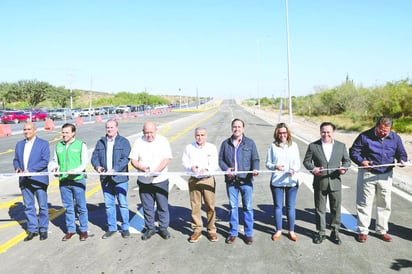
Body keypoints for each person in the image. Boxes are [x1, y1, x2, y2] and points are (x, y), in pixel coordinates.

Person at [350, 117, 407, 243]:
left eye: (386, 131)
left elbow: (401, 153)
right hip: (367, 173)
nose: (383, 133)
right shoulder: (364, 136)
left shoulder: (395, 138)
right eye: (381, 130)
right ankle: (363, 231)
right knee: (364, 203)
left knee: (384, 203)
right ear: (376, 127)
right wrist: (361, 161)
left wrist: (402, 160)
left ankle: (381, 230)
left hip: (386, 175)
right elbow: (353, 151)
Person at [303, 122, 351, 245]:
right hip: (320, 182)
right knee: (320, 209)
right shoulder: (313, 146)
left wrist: (344, 168)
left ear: (333, 132)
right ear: (320, 132)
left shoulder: (341, 146)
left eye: (328, 132)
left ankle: (335, 232)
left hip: (335, 182)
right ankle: (321, 232)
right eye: (323, 132)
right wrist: (313, 169)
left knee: (336, 209)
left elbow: (347, 161)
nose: (326, 134)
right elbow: (306, 162)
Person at [219, 118, 259, 245]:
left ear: (243, 128)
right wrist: (226, 169)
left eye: (239, 127)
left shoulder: (250, 143)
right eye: (234, 127)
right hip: (231, 181)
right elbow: (220, 160)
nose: (237, 129)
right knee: (233, 207)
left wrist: (255, 168)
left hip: (246, 181)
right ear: (232, 128)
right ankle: (233, 233)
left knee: (247, 207)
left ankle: (248, 234)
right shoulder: (225, 143)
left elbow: (255, 159)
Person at [130, 122, 173, 240]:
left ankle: (163, 228)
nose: (149, 135)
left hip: (160, 179)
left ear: (156, 131)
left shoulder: (163, 141)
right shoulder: (138, 142)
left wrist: (157, 170)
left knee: (162, 206)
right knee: (147, 206)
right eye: (146, 133)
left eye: (151, 132)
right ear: (143, 132)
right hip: (144, 181)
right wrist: (142, 168)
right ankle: (150, 228)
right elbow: (133, 160)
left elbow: (167, 158)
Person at [91, 119, 131, 239]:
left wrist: (114, 169)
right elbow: (94, 157)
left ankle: (125, 228)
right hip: (105, 179)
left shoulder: (124, 142)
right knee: (109, 205)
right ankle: (112, 227)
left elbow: (125, 159)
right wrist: (97, 166)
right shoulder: (100, 142)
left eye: (112, 127)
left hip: (120, 179)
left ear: (117, 128)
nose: (109, 129)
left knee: (122, 203)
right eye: (107, 127)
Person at [50, 123, 89, 241]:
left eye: (67, 132)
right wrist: (54, 168)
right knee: (68, 207)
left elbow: (85, 162)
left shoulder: (81, 145)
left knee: (81, 207)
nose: (64, 135)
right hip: (64, 181)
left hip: (77, 180)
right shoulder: (59, 146)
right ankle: (70, 230)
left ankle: (83, 230)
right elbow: (54, 161)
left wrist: (76, 171)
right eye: (63, 132)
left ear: (73, 133)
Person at [13, 122, 50, 241]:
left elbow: (45, 161)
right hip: (24, 181)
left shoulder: (43, 144)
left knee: (43, 206)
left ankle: (43, 229)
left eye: (29, 129)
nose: (26, 131)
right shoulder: (19, 145)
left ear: (35, 130)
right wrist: (17, 168)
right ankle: (32, 230)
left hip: (38, 180)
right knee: (29, 207)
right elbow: (16, 160)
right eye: (24, 129)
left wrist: (30, 170)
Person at [182, 127, 219, 243]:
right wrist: (190, 167)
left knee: (210, 206)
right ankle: (197, 230)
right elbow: (184, 162)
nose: (200, 137)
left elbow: (215, 164)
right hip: (194, 180)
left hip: (207, 179)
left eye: (202, 135)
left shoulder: (211, 148)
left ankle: (211, 230)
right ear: (195, 136)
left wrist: (207, 169)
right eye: (198, 135)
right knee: (195, 206)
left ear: (206, 136)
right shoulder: (189, 148)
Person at [265, 123, 301, 242]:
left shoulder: (294, 146)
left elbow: (297, 163)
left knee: (291, 207)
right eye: (280, 133)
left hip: (291, 181)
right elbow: (268, 164)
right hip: (277, 181)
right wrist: (275, 166)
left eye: (284, 133)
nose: (282, 135)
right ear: (277, 134)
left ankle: (291, 230)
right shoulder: (272, 146)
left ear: (288, 133)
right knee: (278, 207)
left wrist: (293, 170)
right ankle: (278, 230)